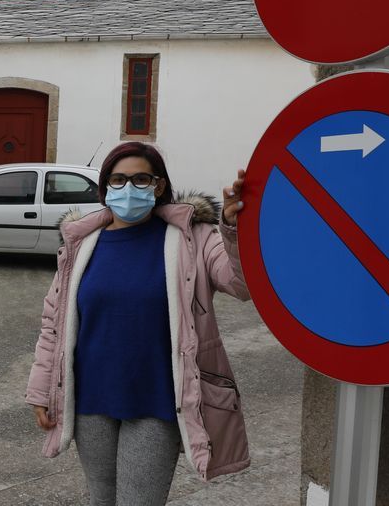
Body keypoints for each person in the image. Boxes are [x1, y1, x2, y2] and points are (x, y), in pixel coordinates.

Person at [25, 141, 250, 505]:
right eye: (118, 180)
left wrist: (232, 229)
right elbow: (54, 323)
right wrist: (40, 389)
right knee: (102, 499)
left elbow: (241, 284)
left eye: (140, 179)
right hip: (90, 401)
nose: (129, 188)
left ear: (158, 185)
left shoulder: (192, 238)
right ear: (105, 188)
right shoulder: (82, 245)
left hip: (156, 401)